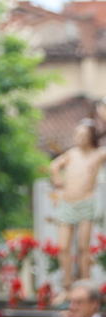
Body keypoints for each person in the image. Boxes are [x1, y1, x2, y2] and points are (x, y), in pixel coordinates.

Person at [49, 120, 106, 289]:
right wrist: (58, 182)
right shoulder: (72, 154)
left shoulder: (98, 154)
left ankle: (84, 283)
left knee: (83, 247)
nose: (79, 137)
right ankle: (67, 284)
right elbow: (54, 166)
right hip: (67, 202)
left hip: (86, 203)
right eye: (77, 134)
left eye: (83, 134)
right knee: (63, 246)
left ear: (91, 136)